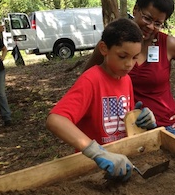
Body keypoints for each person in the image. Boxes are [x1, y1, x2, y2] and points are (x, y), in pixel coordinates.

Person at [84, 0, 175, 141]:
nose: (151, 26)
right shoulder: (112, 44)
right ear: (136, 9)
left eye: (158, 23)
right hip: (126, 131)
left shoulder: (168, 44)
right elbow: (87, 80)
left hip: (168, 127)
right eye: (147, 18)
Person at [46, 18, 156, 181]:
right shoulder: (91, 80)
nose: (129, 64)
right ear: (104, 49)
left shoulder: (126, 79)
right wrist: (97, 153)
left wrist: (141, 120)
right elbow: (55, 120)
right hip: (92, 167)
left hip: (120, 160)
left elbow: (125, 121)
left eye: (134, 58)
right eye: (122, 56)